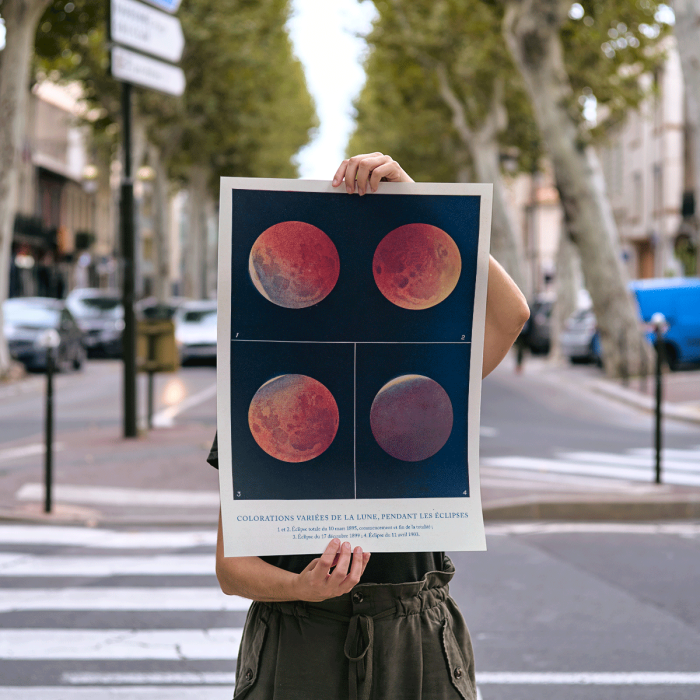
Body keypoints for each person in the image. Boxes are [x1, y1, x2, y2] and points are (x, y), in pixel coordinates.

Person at [208, 153, 530, 700]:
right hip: (298, 634)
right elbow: (231, 566)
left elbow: (512, 315)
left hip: (414, 634)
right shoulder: (265, 396)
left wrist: (422, 204)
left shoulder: (427, 383)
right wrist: (298, 587)